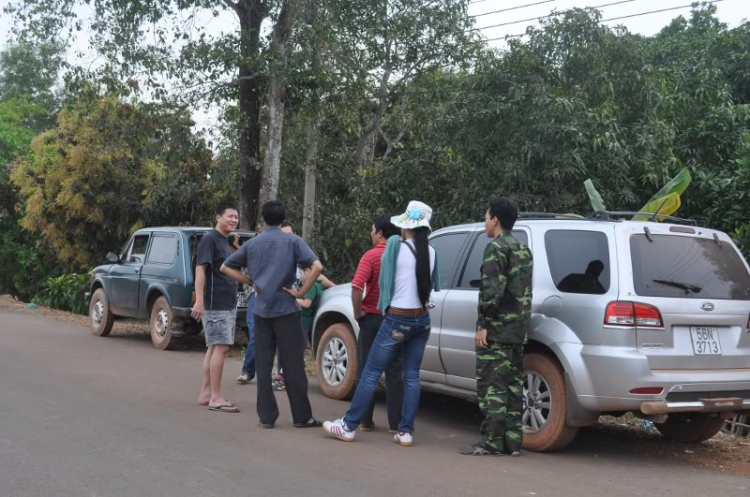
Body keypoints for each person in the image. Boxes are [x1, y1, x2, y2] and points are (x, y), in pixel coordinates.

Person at [323, 201, 439, 447]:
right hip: (422, 319)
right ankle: (405, 431)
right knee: (412, 377)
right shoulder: (432, 251)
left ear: (407, 226)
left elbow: (385, 284)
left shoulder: (396, 250)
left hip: (398, 318)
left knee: (371, 372)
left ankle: (349, 425)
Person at [222, 200, 323, 429]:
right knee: (294, 365)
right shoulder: (293, 241)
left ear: (264, 219)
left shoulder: (254, 244)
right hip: (286, 310)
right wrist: (300, 291)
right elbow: (317, 267)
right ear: (283, 217)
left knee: (264, 365)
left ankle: (267, 418)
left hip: (261, 310)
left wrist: (250, 281)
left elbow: (226, 267)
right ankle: (302, 417)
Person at [461, 196, 533, 457]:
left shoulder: (496, 248)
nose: (485, 222)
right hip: (517, 332)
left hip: (498, 331)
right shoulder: (523, 249)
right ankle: (513, 443)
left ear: (496, 220)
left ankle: (491, 443)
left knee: (492, 387)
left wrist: (483, 325)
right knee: (514, 388)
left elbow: (492, 292)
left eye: (486, 216)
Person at [351, 214, 404, 433]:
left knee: (367, 370)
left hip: (372, 319)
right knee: (394, 371)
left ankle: (365, 421)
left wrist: (357, 312)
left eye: (372, 230)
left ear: (380, 233)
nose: (371, 234)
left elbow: (356, 286)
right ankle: (396, 424)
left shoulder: (372, 256)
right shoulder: (403, 256)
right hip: (397, 319)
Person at [273, 222, 334, 391]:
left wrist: (292, 297)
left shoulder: (312, 285)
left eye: (301, 272)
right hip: (296, 320)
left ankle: (289, 378)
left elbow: (306, 303)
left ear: (309, 271)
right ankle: (284, 375)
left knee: (295, 352)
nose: (299, 274)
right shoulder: (314, 282)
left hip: (302, 322)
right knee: (290, 349)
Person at [193, 203, 241, 413]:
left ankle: (206, 393)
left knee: (213, 348)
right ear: (218, 217)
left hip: (225, 302)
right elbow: (200, 271)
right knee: (220, 347)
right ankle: (216, 397)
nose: (233, 220)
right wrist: (199, 301)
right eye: (229, 216)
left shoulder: (223, 241)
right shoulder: (209, 239)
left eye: (236, 217)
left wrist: (235, 246)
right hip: (216, 303)